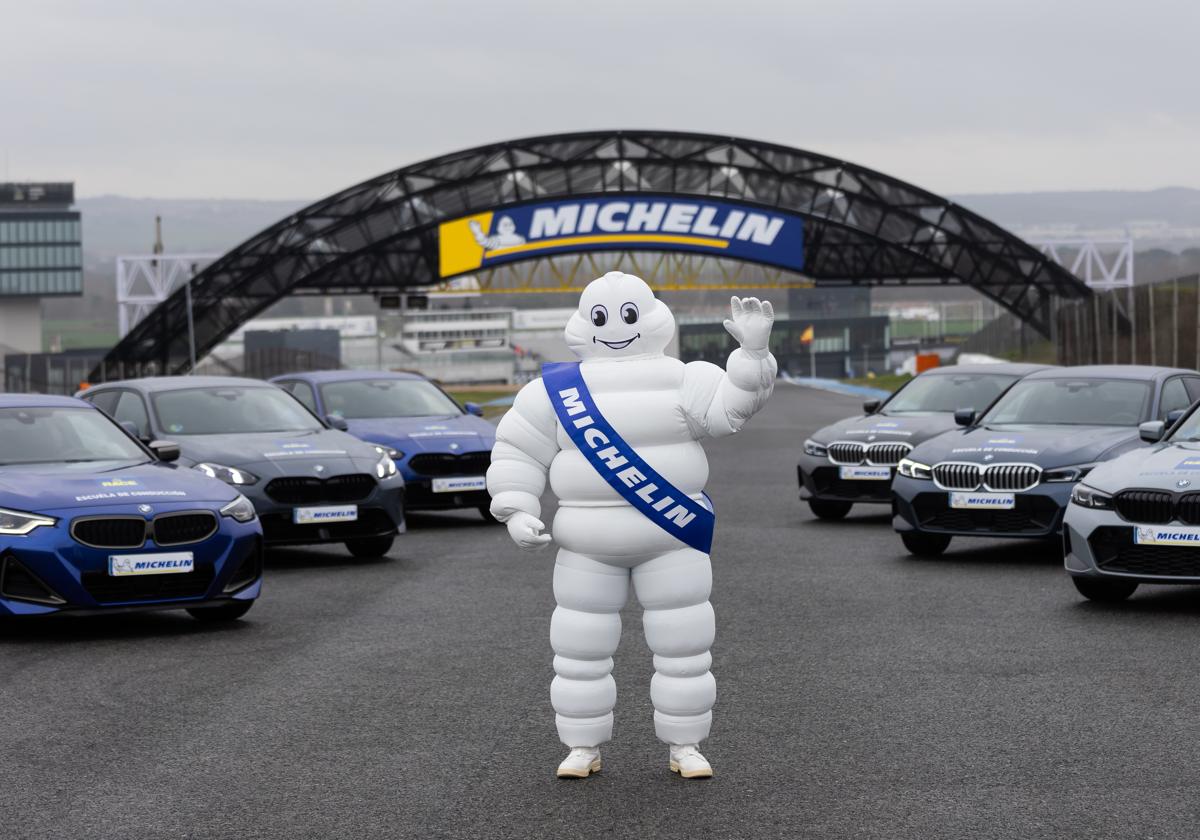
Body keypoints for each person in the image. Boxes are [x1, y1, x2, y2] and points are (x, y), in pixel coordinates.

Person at [486, 270, 777, 779]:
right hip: (585, 546)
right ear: (584, 321)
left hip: (671, 541)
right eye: (601, 316)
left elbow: (733, 409)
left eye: (627, 315)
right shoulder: (551, 391)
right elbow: (517, 448)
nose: (615, 326)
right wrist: (516, 505)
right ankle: (582, 747)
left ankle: (685, 746)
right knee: (578, 653)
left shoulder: (686, 377)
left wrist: (752, 357)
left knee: (685, 649)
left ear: (650, 318)